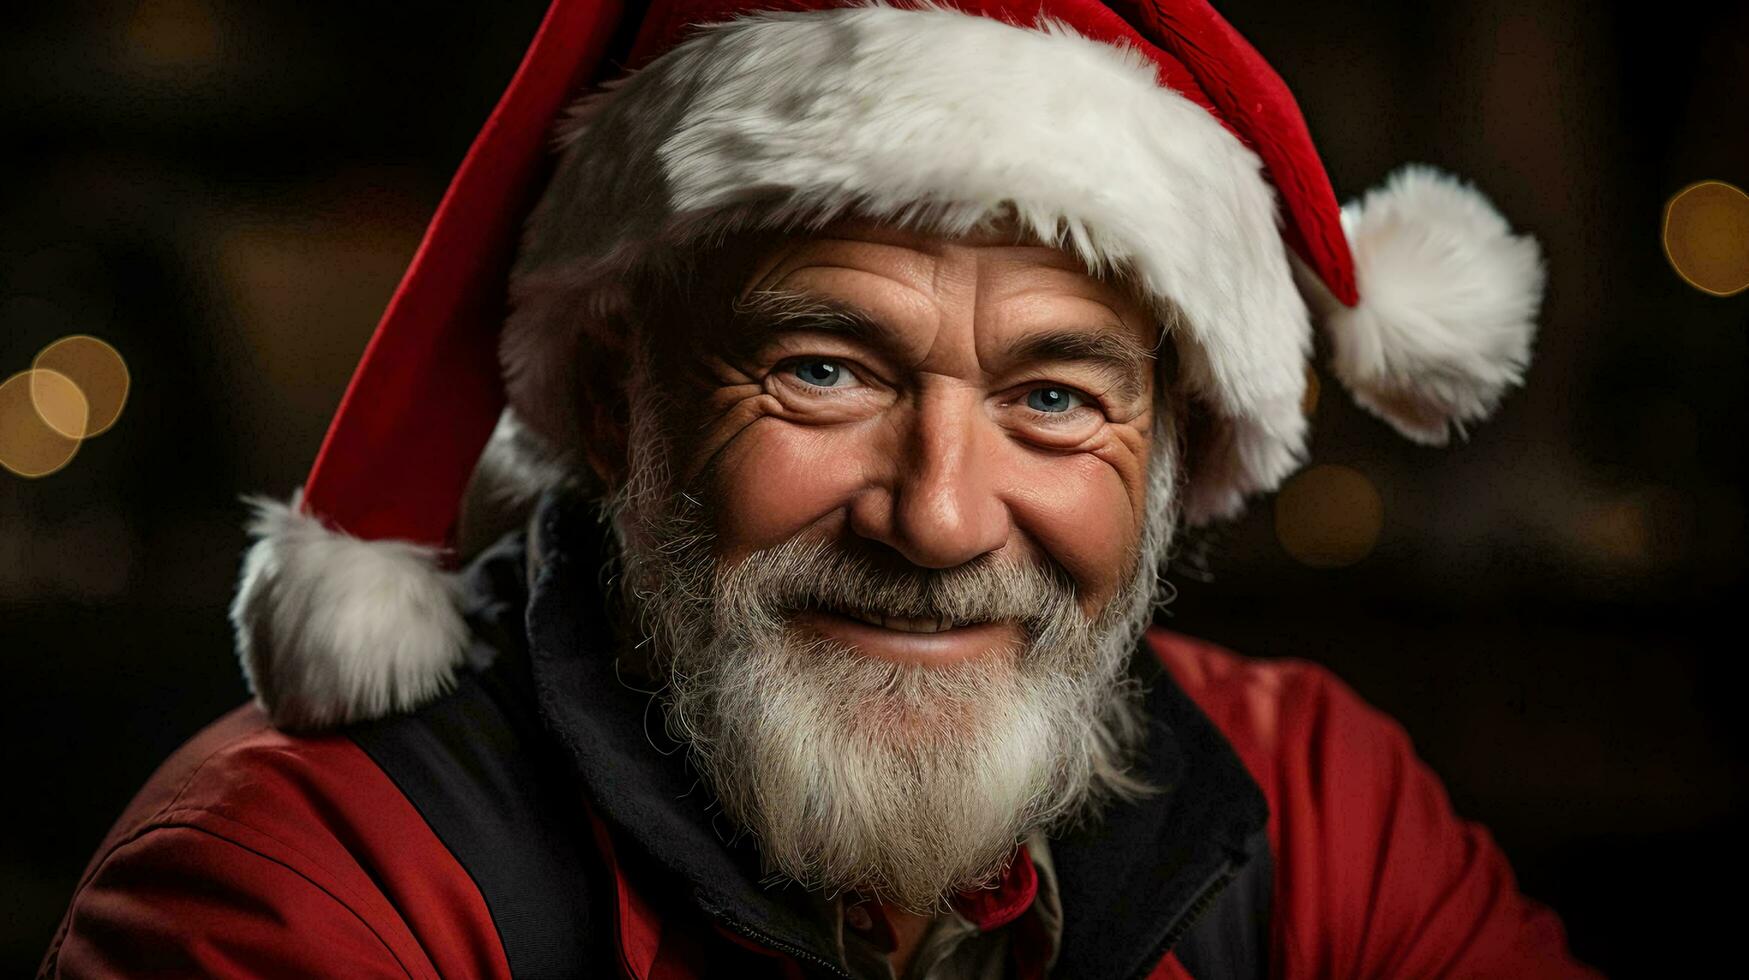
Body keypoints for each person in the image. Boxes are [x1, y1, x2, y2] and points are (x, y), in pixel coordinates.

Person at [40, 1, 1597, 977]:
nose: (935, 518)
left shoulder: (1315, 811)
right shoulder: (313, 880)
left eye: (1052, 398)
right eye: (825, 371)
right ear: (609, 399)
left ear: (1175, 448)